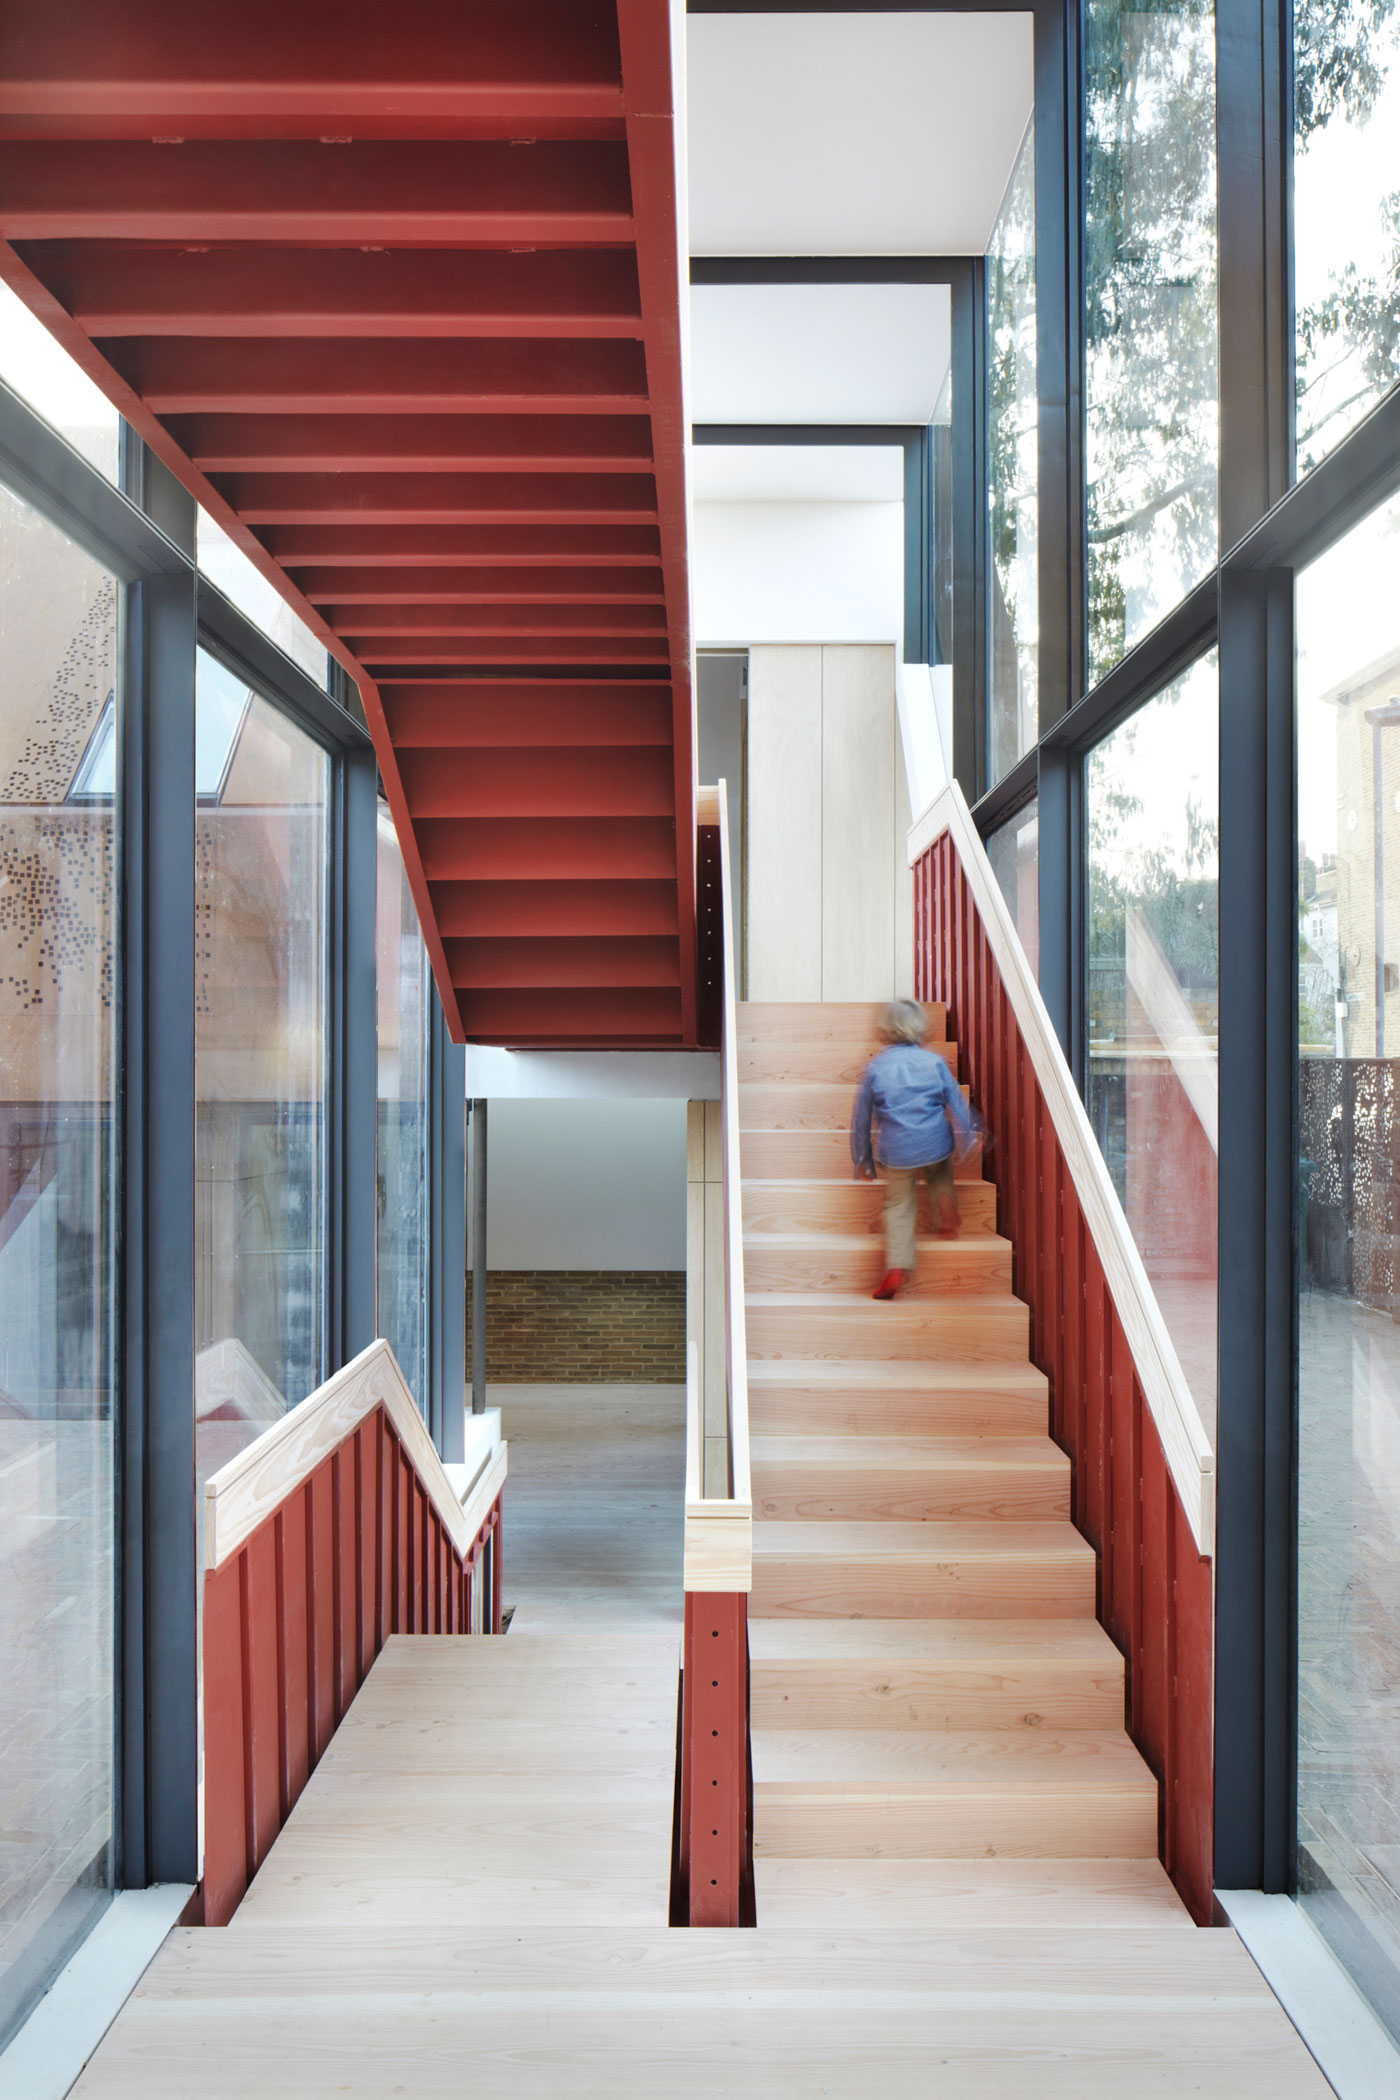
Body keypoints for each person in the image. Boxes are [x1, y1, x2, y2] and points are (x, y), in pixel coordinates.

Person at [850, 998, 978, 1300]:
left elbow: (861, 1119)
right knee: (940, 1177)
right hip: (935, 1143)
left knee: (898, 1208)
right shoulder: (933, 1062)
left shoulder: (875, 1067)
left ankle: (896, 1266)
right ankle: (946, 1212)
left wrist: (863, 1160)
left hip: (896, 1152)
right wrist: (969, 1134)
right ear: (920, 1027)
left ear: (884, 1031)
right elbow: (956, 1101)